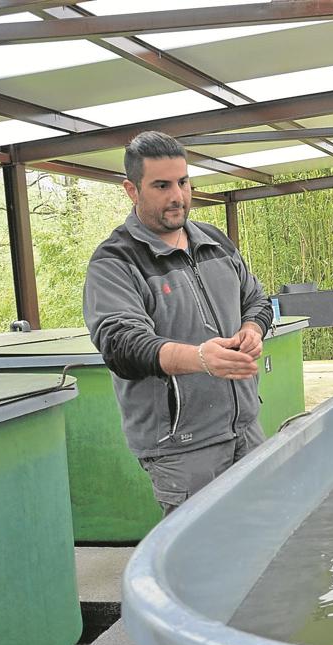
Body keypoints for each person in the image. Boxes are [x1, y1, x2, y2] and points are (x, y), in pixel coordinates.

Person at [83, 131, 273, 516]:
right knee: (200, 563)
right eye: (161, 185)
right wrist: (201, 358)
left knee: (261, 539)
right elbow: (122, 345)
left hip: (245, 428)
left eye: (183, 182)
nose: (178, 196)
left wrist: (253, 329)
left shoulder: (216, 241)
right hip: (181, 447)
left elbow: (257, 300)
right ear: (131, 190)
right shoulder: (115, 261)